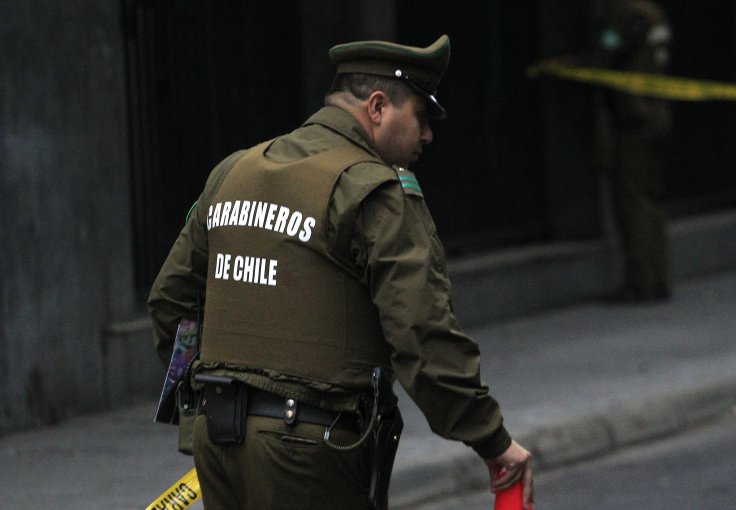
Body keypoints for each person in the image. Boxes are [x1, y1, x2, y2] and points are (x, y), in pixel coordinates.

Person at [147, 35, 533, 509]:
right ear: (377, 107)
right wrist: (492, 440)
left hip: (218, 440)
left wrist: (200, 405)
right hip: (309, 450)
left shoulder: (232, 172)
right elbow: (421, 334)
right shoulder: (374, 190)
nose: (427, 135)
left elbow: (171, 302)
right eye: (421, 116)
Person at [570, 0, 674, 302]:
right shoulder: (651, 10)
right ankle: (656, 277)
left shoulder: (626, 12)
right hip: (655, 114)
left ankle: (641, 282)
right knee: (650, 200)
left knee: (633, 203)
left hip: (634, 119)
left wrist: (570, 64)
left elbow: (604, 55)